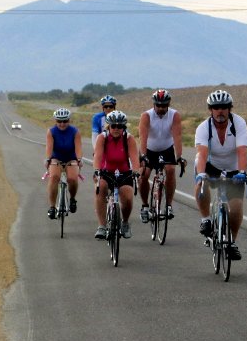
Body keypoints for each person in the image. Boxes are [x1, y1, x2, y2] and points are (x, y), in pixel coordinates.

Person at [194, 89, 247, 260]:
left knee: (236, 206)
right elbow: (202, 154)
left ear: (229, 109)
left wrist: (242, 173)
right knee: (201, 181)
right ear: (210, 110)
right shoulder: (204, 127)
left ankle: (231, 242)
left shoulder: (239, 123)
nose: (220, 111)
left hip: (234, 168)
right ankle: (205, 219)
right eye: (216, 107)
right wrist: (201, 174)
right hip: (211, 165)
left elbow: (242, 151)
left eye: (224, 107)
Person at [138, 88, 184, 223]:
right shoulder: (146, 116)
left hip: (166, 149)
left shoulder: (174, 115)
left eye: (164, 105)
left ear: (168, 104)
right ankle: (145, 206)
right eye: (158, 105)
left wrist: (179, 156)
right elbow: (143, 138)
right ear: (154, 104)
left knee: (170, 170)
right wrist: (143, 156)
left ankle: (168, 205)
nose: (161, 108)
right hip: (149, 149)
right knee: (144, 175)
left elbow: (177, 137)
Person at [93, 110, 140, 240]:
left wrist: (136, 172)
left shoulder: (129, 139)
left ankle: (125, 223)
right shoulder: (102, 138)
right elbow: (97, 156)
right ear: (108, 126)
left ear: (124, 127)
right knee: (100, 188)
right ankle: (102, 226)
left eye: (120, 126)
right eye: (113, 126)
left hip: (124, 173)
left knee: (128, 197)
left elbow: (135, 158)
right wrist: (97, 170)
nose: (116, 129)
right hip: (106, 172)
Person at [44, 108, 83, 219]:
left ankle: (72, 199)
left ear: (69, 120)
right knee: (54, 177)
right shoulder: (51, 131)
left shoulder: (75, 131)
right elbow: (49, 148)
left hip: (71, 158)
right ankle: (52, 207)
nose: (62, 124)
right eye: (59, 121)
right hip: (56, 158)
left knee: (72, 179)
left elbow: (78, 148)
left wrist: (79, 159)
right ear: (55, 121)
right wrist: (47, 159)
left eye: (65, 121)